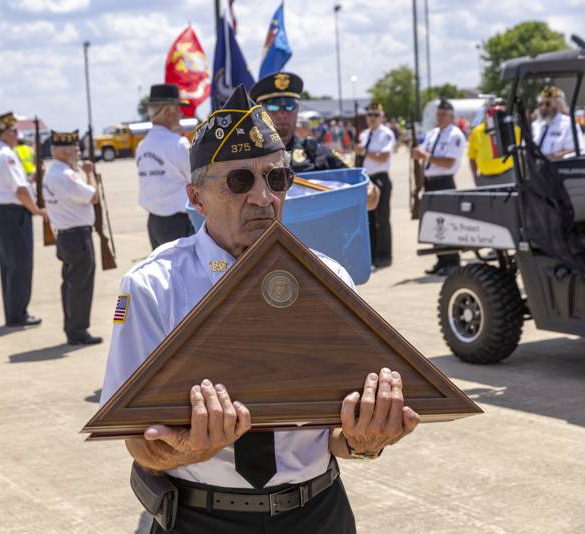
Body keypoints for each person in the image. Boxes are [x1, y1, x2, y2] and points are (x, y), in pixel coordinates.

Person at [100, 86, 420, 534]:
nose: (262, 197)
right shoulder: (152, 287)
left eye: (276, 179)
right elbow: (137, 440)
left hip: (318, 512)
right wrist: (189, 449)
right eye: (239, 181)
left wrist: (365, 440)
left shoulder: (328, 281)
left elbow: (335, 435)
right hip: (201, 518)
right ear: (195, 199)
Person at [0, 112, 49, 327]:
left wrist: (31, 180)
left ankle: (13, 311)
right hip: (14, 214)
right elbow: (19, 190)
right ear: (6, 133)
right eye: (15, 131)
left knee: (8, 266)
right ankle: (18, 313)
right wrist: (36, 210)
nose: (17, 134)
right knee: (20, 265)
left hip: (0, 212)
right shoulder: (6, 155)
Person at [43, 130, 103, 345]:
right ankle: (78, 331)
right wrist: (90, 174)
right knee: (80, 285)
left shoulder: (54, 172)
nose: (78, 151)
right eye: (74, 148)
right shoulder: (66, 175)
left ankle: (72, 327)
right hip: (78, 236)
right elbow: (93, 196)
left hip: (66, 236)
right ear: (61, 150)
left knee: (70, 283)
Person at [250, 72, 347, 173]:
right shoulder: (246, 156)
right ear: (259, 111)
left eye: (289, 105)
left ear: (297, 109)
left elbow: (354, 180)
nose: (282, 114)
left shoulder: (315, 153)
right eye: (273, 106)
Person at [136, 83, 194, 250]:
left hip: (154, 222)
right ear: (169, 112)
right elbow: (197, 181)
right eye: (178, 109)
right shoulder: (178, 144)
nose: (181, 114)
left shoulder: (142, 145)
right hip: (179, 223)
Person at [412, 99, 467, 276]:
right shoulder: (433, 133)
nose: (439, 116)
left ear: (451, 116)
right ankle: (440, 260)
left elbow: (448, 161)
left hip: (444, 181)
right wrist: (419, 183)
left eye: (443, 114)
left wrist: (425, 156)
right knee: (434, 224)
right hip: (430, 182)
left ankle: (451, 260)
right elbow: (422, 155)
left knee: (447, 222)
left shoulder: (455, 135)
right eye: (438, 113)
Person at [355, 102, 395, 268]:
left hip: (379, 178)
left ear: (382, 117)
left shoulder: (385, 134)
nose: (371, 118)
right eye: (369, 115)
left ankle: (384, 255)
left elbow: (383, 157)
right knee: (368, 219)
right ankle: (371, 254)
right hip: (367, 180)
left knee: (382, 218)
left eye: (375, 115)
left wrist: (364, 152)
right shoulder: (364, 134)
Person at [468, 101, 517, 187]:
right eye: (490, 113)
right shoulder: (476, 131)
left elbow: (519, 154)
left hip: (506, 176)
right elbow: (472, 157)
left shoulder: (512, 129)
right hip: (484, 178)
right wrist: (475, 177)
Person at [532, 85, 584, 160]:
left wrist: (548, 159)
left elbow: (575, 150)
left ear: (559, 104)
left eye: (547, 104)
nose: (543, 107)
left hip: (557, 168)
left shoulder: (569, 124)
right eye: (540, 104)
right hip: (535, 169)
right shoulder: (535, 125)